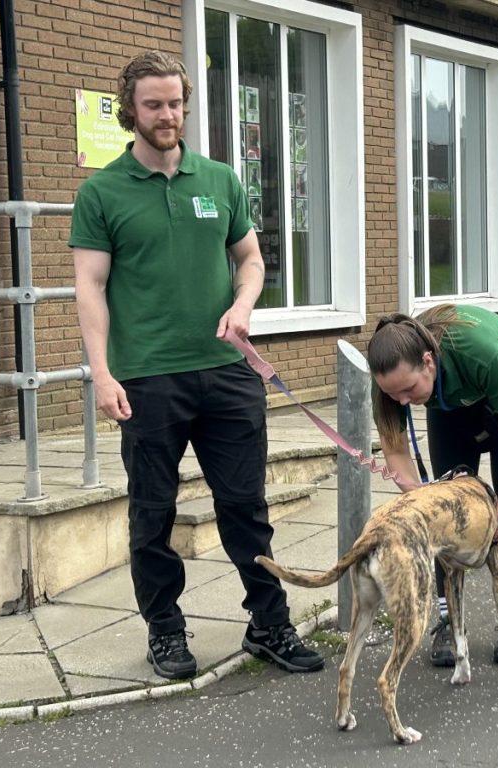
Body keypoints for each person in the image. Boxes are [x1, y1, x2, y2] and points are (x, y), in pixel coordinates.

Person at [69, 50, 323, 680]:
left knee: (246, 507)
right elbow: (89, 287)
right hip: (148, 379)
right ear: (131, 110)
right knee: (152, 513)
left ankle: (269, 624)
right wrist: (101, 373)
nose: (167, 115)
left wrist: (243, 307)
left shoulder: (219, 180)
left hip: (228, 370)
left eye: (175, 103)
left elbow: (252, 260)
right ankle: (165, 632)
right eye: (153, 104)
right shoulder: (101, 192)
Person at [367, 304, 498, 665]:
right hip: (450, 404)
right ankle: (450, 620)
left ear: (428, 361)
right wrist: (421, 498)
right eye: (393, 395)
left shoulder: (481, 352)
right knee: (441, 512)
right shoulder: (390, 382)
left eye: (407, 390)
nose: (402, 401)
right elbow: (396, 451)